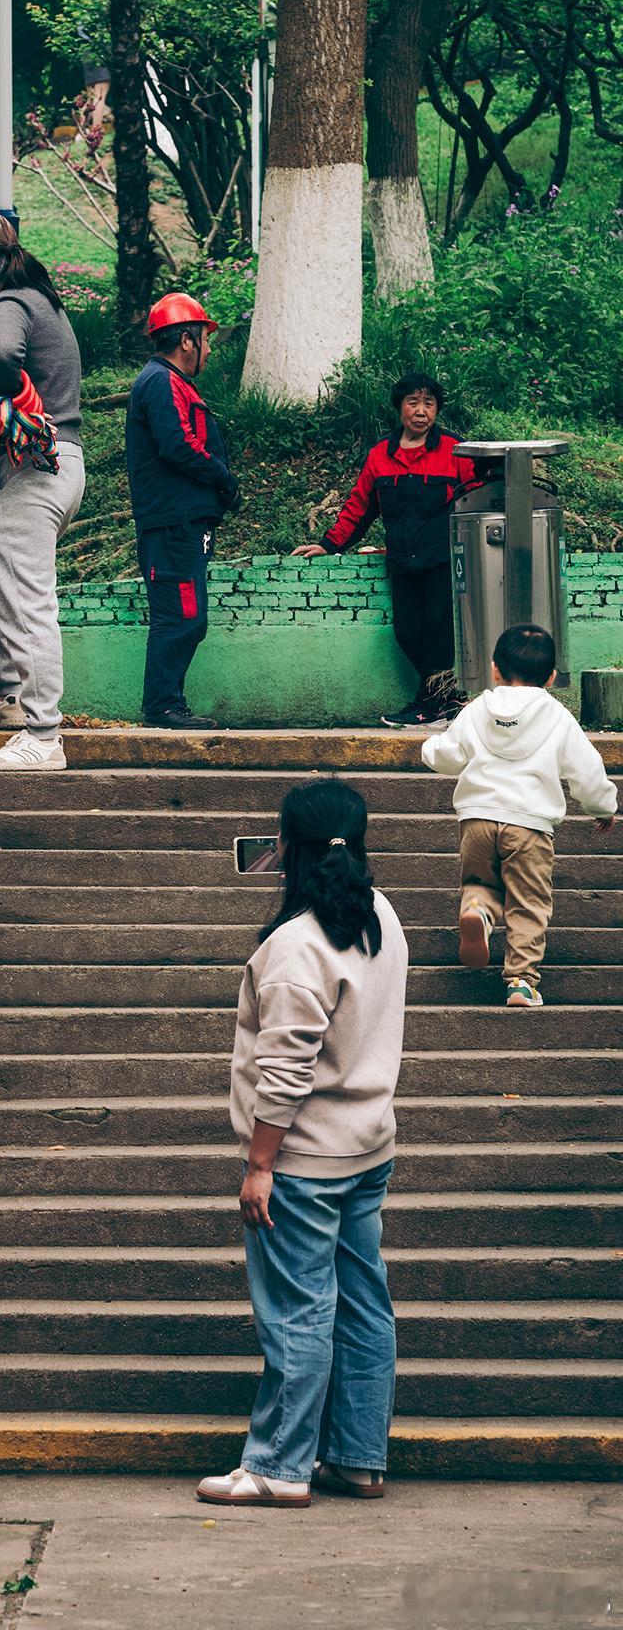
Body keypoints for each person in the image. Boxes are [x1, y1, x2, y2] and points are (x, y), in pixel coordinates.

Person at [198, 779, 408, 1510]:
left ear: (287, 847)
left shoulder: (295, 947)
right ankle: (357, 1457)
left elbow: (284, 1071)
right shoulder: (379, 915)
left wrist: (260, 1165)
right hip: (368, 1147)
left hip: (305, 1161)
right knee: (362, 1303)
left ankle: (280, 1465)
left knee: (297, 1309)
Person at [422, 622, 617, 1009]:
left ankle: (477, 910)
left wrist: (429, 748)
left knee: (480, 882)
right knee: (528, 902)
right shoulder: (557, 716)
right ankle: (521, 983)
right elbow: (586, 769)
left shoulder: (478, 708)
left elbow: (447, 755)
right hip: (529, 825)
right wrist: (603, 806)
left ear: (495, 670)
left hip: (477, 819)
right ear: (552, 676)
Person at [0, 212, 84, 772]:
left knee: (29, 601)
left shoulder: (8, 302)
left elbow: (5, 357)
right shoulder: (41, 298)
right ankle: (13, 705)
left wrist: (2, 405)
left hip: (28, 470)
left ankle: (44, 735)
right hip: (54, 466)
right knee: (11, 593)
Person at [292, 371, 475, 727]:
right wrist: (329, 544)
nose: (421, 411)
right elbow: (359, 507)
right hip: (403, 562)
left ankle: (429, 706)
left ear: (437, 410)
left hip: (442, 561)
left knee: (438, 634)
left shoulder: (456, 451)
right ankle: (449, 701)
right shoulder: (381, 455)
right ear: (400, 408)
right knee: (407, 633)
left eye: (429, 403)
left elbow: (480, 496)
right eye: (413, 402)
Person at [125, 294, 240, 730]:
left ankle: (168, 702)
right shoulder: (161, 382)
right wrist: (221, 477)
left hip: (184, 524)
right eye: (206, 340)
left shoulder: (172, 382)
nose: (209, 350)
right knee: (182, 616)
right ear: (187, 341)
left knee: (189, 617)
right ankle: (163, 706)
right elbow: (178, 443)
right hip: (173, 526)